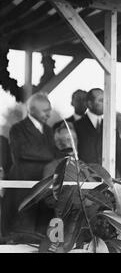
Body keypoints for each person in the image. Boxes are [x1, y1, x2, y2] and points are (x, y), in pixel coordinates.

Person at [2, 93, 56, 238]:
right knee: (23, 232)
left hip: (43, 188)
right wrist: (51, 155)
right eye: (45, 110)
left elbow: (51, 153)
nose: (49, 114)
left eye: (49, 110)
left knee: (41, 234)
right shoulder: (17, 129)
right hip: (23, 189)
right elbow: (23, 152)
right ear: (32, 110)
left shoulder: (49, 130)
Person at [74, 88, 104, 164]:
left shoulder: (111, 127)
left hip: (107, 174)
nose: (105, 103)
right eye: (101, 100)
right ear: (90, 104)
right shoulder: (76, 126)